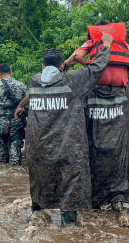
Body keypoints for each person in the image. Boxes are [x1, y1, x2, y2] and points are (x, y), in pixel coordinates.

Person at [16, 33, 114, 227]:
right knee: (71, 182)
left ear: (43, 66)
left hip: (38, 146)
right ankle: (68, 229)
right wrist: (106, 46)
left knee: (40, 180)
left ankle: (37, 216)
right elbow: (96, 68)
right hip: (67, 146)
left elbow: (51, 75)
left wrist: (64, 64)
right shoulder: (72, 81)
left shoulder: (34, 81)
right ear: (62, 67)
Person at [86, 44, 129, 218]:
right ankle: (119, 211)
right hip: (119, 154)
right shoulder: (127, 92)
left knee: (94, 199)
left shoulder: (88, 93)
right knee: (118, 192)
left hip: (94, 153)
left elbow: (68, 80)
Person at [64, 20, 129, 87]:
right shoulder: (122, 43)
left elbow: (77, 56)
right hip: (120, 80)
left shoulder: (91, 41)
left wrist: (92, 67)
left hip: (99, 78)